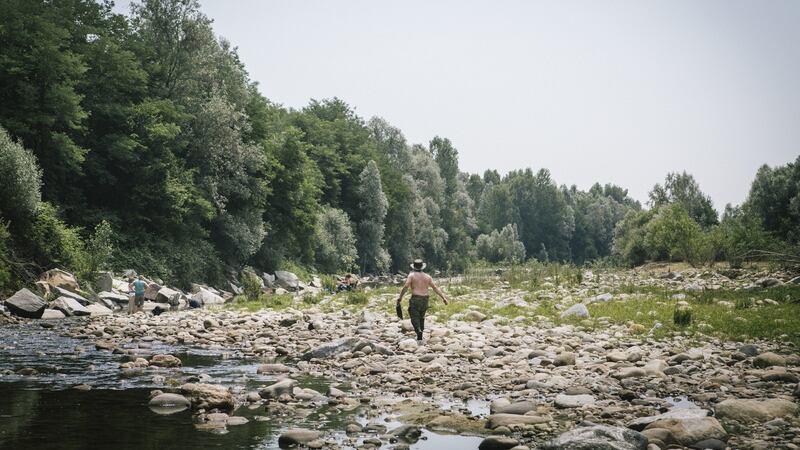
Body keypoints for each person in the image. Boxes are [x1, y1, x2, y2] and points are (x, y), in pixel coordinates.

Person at [396, 259, 449, 345]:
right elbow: (435, 288)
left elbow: (406, 286)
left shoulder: (411, 275)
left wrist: (400, 297)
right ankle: (421, 332)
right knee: (422, 316)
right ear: (422, 267)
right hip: (425, 299)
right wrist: (443, 298)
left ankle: (418, 331)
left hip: (415, 298)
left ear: (414, 267)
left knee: (414, 316)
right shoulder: (427, 277)